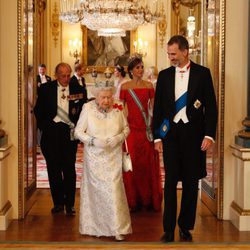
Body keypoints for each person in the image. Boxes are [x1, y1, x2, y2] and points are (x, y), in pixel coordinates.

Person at [153, 35, 217, 242]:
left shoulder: (203, 74)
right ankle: (168, 229)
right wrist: (157, 137)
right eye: (168, 54)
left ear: (185, 51)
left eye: (173, 53)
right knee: (170, 182)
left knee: (190, 183)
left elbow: (211, 108)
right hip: (171, 136)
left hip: (194, 136)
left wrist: (209, 135)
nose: (170, 57)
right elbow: (159, 109)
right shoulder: (163, 76)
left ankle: (185, 226)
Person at [74, 80, 132, 241]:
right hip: (94, 158)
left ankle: (117, 228)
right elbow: (78, 131)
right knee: (96, 193)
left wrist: (118, 138)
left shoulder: (118, 107)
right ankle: (94, 226)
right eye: (103, 97)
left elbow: (126, 128)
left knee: (114, 190)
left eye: (109, 97)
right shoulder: (88, 108)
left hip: (113, 156)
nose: (107, 101)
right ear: (96, 97)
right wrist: (93, 141)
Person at [34, 62, 87, 215]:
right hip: (51, 133)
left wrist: (78, 129)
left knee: (69, 169)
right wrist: (45, 127)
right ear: (56, 75)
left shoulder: (79, 89)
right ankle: (57, 203)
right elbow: (38, 111)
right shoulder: (45, 89)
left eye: (68, 75)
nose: (66, 78)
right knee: (53, 169)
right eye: (62, 75)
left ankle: (70, 204)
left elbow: (83, 112)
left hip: (68, 133)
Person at [120, 54, 163, 212]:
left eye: (142, 67)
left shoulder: (149, 85)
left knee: (146, 164)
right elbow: (121, 110)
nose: (141, 70)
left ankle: (148, 199)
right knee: (132, 164)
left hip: (146, 130)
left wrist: (155, 128)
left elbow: (154, 109)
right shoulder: (125, 87)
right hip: (131, 131)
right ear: (131, 70)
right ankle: (132, 199)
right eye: (137, 67)